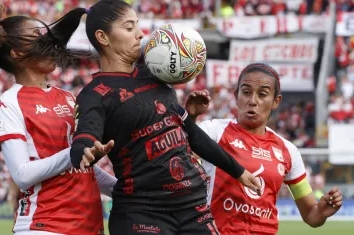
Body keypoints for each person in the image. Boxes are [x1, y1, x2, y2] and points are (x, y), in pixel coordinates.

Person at [31, 1, 262, 234]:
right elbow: (82, 141)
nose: (139, 34)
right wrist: (86, 150)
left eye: (137, 26)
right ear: (103, 37)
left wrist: (238, 171)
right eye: (129, 28)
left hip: (194, 210)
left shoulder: (155, 76)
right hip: (142, 213)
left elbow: (190, 135)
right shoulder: (95, 94)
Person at [0, 7, 117, 235]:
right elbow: (23, 175)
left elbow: (83, 167)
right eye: (36, 36)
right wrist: (74, 152)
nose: (49, 42)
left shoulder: (69, 97)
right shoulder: (9, 103)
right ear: (17, 53)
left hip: (89, 227)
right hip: (44, 227)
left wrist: (123, 190)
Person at [185, 63, 343, 234]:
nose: (253, 101)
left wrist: (321, 212)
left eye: (262, 95)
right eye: (246, 92)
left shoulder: (288, 151)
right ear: (236, 95)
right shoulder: (214, 131)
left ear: (276, 101)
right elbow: (180, 157)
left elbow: (311, 215)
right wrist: (190, 120)